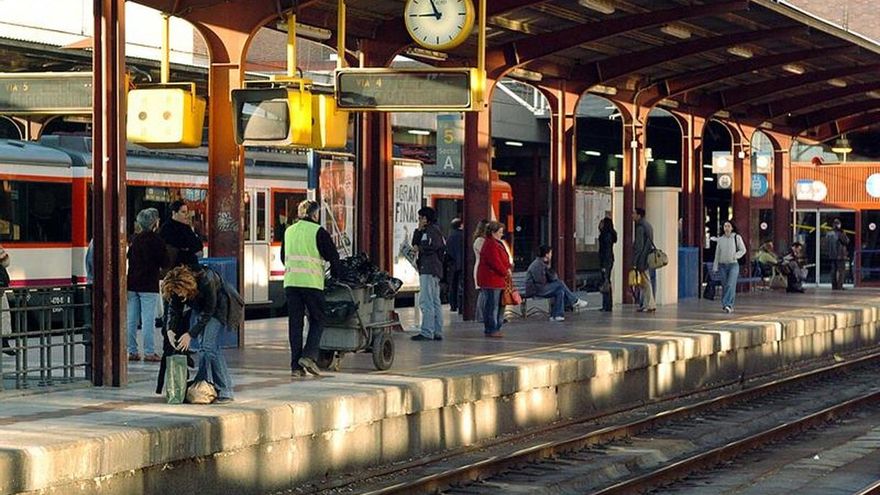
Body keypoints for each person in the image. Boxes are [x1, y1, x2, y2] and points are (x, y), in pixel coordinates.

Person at [162, 264, 237, 404]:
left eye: (180, 292)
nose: (179, 295)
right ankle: (204, 384)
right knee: (207, 348)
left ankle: (224, 390)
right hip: (202, 310)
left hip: (218, 308)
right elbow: (174, 309)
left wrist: (190, 334)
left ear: (186, 286)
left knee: (208, 347)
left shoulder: (206, 280)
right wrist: (170, 330)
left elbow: (209, 310)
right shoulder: (177, 290)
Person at [283, 200, 341, 377]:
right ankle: (308, 356)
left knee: (295, 324)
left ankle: (295, 367)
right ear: (315, 215)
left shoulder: (289, 231)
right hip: (311, 284)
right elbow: (333, 256)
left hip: (291, 283)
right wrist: (337, 275)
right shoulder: (318, 231)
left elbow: (283, 257)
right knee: (318, 319)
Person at [127, 208, 168, 362]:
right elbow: (165, 262)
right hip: (149, 284)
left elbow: (129, 257)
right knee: (148, 320)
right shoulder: (157, 241)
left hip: (132, 283)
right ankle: (149, 352)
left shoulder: (135, 239)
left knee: (131, 319)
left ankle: (132, 351)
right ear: (154, 223)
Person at [524, 245, 589, 322]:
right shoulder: (537, 264)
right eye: (550, 253)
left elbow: (552, 278)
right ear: (546, 254)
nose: (551, 255)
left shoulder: (543, 263)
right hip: (536, 289)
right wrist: (550, 276)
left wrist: (550, 272)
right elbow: (540, 281)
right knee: (560, 284)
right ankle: (574, 301)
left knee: (560, 291)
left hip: (540, 287)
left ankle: (557, 315)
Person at [411, 206, 446, 341]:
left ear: (426, 218)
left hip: (429, 268)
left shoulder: (432, 231)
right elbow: (415, 243)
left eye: (420, 218)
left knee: (426, 300)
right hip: (432, 269)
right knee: (435, 300)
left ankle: (427, 331)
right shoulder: (429, 230)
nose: (419, 221)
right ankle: (437, 330)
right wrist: (418, 231)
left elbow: (432, 246)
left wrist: (419, 248)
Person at [477, 221, 511, 338]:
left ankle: (495, 327)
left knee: (498, 305)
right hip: (491, 280)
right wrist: (506, 271)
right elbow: (495, 262)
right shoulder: (491, 245)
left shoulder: (495, 243)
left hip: (497, 280)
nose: (502, 234)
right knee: (492, 306)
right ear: (493, 232)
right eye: (500, 232)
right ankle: (491, 328)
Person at [712, 220, 747, 313]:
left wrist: (735, 256)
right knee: (725, 285)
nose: (726, 228)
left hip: (733, 265)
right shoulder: (720, 239)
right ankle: (726, 304)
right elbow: (717, 254)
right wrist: (715, 266)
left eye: (728, 226)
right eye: (725, 226)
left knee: (730, 284)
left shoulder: (736, 237)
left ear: (732, 228)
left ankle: (728, 304)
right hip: (722, 265)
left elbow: (743, 250)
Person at [159, 200, 204, 268]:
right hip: (176, 266)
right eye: (183, 212)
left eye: (187, 212)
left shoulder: (186, 227)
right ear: (174, 213)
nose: (186, 215)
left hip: (191, 264)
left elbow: (197, 244)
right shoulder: (167, 228)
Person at [632, 207, 656, 313]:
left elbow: (639, 246)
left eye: (634, 213)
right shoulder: (648, 226)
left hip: (642, 258)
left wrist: (635, 261)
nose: (632, 215)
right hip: (646, 256)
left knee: (645, 282)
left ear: (639, 215)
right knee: (645, 281)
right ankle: (646, 303)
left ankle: (649, 304)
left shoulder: (640, 227)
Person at [598, 217, 617, 312]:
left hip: (606, 261)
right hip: (609, 260)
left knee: (605, 281)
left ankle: (607, 304)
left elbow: (606, 251)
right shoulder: (608, 235)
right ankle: (607, 304)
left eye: (601, 223)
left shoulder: (605, 236)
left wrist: (604, 265)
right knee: (606, 281)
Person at [446, 218, 465, 314]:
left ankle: (453, 305)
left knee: (452, 285)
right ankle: (461, 306)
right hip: (462, 264)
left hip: (452, 264)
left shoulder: (450, 236)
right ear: (460, 225)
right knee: (461, 286)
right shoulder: (464, 235)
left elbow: (448, 251)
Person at [472, 219, 489, 322]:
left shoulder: (485, 240)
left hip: (485, 268)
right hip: (481, 268)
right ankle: (480, 316)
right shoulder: (479, 241)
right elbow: (485, 253)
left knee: (485, 293)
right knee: (483, 293)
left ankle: (485, 315)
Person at [825, 218, 850, 290]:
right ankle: (839, 286)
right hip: (840, 255)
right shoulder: (840, 233)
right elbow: (846, 241)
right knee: (841, 271)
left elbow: (826, 244)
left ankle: (834, 285)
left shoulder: (829, 233)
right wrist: (844, 233)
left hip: (831, 255)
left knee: (833, 270)